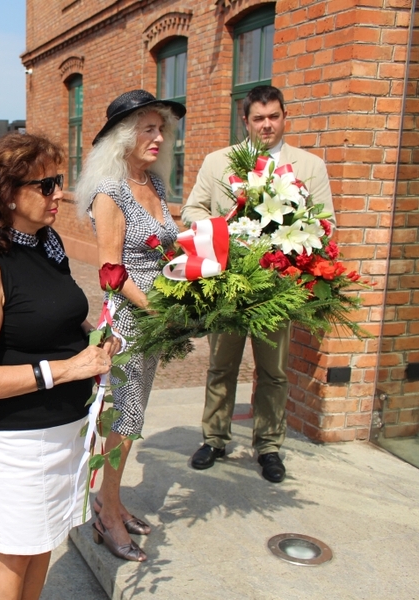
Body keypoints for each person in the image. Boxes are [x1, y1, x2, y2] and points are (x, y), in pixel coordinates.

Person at [0, 132, 119, 599]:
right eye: (46, 186)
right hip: (18, 440)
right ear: (7, 192)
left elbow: (52, 313)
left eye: (59, 181)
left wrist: (92, 336)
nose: (59, 194)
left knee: (44, 538)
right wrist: (67, 368)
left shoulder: (47, 242)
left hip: (62, 428)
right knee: (13, 550)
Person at [181, 84, 335, 483]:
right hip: (230, 282)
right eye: (259, 118)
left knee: (274, 371)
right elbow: (192, 209)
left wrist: (296, 239)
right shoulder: (218, 162)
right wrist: (224, 233)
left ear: (284, 117)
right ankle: (214, 438)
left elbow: (327, 223)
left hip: (277, 287)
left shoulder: (309, 166)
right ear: (245, 121)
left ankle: (268, 445)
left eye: (274, 117)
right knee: (221, 365)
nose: (267, 125)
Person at [74, 89, 184, 562]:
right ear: (123, 137)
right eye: (148, 130)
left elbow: (167, 248)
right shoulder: (111, 190)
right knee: (123, 419)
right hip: (129, 323)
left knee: (133, 418)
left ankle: (111, 500)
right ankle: (107, 513)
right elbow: (110, 272)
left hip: (155, 320)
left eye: (162, 130)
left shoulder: (154, 184)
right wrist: (157, 309)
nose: (159, 138)